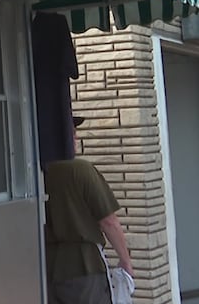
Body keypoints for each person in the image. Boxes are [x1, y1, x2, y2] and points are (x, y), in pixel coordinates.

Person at [43, 116, 133, 303]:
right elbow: (109, 222)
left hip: (47, 268)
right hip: (85, 266)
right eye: (72, 134)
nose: (76, 138)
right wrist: (125, 261)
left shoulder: (38, 172)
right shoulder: (81, 170)